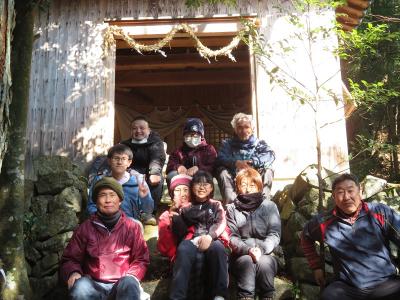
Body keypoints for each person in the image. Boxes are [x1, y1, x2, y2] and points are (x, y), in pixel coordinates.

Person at [301, 173, 400, 300]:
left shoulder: (380, 212)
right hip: (348, 288)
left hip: (385, 283)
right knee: (329, 296)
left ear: (361, 191)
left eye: (350, 191)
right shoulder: (324, 222)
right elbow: (305, 237)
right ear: (334, 196)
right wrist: (316, 266)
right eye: (340, 192)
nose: (346, 197)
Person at [60, 177, 150, 300]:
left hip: (122, 283)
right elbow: (70, 259)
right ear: (96, 201)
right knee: (80, 288)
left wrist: (132, 276)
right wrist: (73, 272)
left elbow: (141, 259)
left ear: (120, 200)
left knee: (129, 284)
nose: (108, 200)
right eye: (103, 195)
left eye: (112, 195)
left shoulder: (132, 227)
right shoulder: (85, 228)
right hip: (93, 284)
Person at [169, 171, 229, 300]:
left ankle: (219, 295)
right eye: (198, 183)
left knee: (218, 249)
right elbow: (181, 232)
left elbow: (221, 222)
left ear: (211, 188)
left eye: (206, 184)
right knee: (184, 249)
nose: (202, 187)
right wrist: (175, 217)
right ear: (192, 187)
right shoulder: (186, 208)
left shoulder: (216, 204)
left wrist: (209, 236)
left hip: (212, 238)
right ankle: (177, 297)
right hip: (192, 240)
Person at [226, 168, 281, 300]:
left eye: (252, 185)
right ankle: (245, 297)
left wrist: (261, 249)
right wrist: (248, 250)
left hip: (267, 253)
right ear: (237, 187)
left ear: (259, 186)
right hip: (241, 255)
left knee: (265, 263)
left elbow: (274, 234)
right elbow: (231, 236)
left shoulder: (270, 206)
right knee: (247, 262)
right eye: (243, 185)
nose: (248, 189)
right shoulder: (232, 208)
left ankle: (267, 296)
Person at [215, 113, 275, 204]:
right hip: (234, 179)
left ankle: (264, 204)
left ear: (252, 129)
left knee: (269, 170)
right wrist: (235, 163)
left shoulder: (259, 143)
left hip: (254, 179)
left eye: (246, 127)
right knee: (222, 172)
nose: (243, 130)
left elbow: (270, 155)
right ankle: (230, 206)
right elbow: (220, 158)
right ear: (235, 130)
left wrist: (253, 161)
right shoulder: (227, 144)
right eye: (239, 127)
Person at [87, 144, 153, 225]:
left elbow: (148, 210)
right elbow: (91, 206)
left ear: (129, 162)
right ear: (109, 161)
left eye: (123, 159)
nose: (119, 162)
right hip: (104, 222)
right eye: (116, 158)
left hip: (130, 224)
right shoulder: (100, 180)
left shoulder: (138, 182)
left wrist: (145, 197)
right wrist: (100, 220)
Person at [121, 116, 166, 225]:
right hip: (131, 172)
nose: (138, 131)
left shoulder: (155, 142)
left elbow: (157, 157)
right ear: (131, 131)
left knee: (156, 179)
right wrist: (133, 173)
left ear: (149, 130)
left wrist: (153, 172)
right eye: (135, 128)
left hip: (149, 171)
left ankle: (150, 212)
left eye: (142, 128)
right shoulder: (125, 145)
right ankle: (129, 211)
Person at [166, 118, 217, 187]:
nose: (191, 137)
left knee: (203, 176)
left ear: (201, 136)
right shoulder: (178, 152)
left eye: (194, 134)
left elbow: (214, 166)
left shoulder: (209, 149)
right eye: (188, 134)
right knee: (171, 175)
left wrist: (198, 168)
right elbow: (170, 166)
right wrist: (178, 167)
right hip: (184, 179)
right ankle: (178, 196)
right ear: (184, 136)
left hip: (202, 179)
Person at [158, 174, 193, 261]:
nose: (182, 194)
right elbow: (164, 248)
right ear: (172, 194)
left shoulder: (197, 210)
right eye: (177, 190)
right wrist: (171, 221)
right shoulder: (165, 216)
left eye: (186, 190)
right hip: (177, 257)